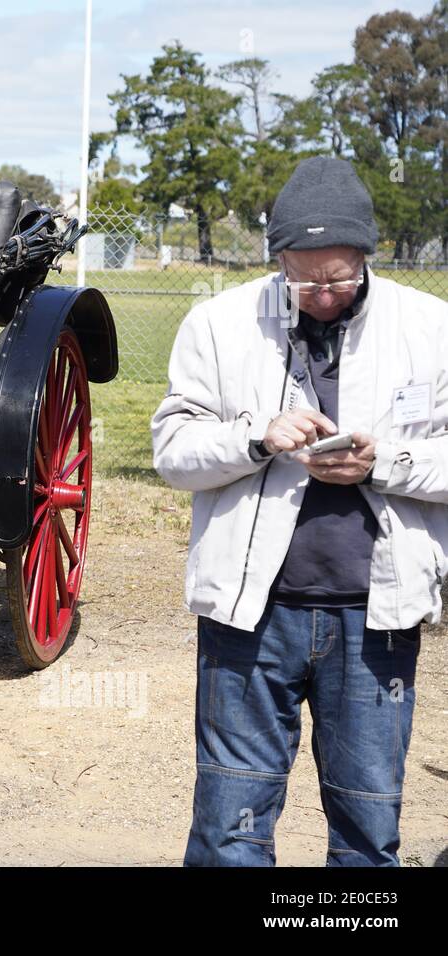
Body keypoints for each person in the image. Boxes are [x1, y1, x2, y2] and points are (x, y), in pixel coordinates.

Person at [152, 156, 447, 866]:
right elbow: (172, 449)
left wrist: (382, 465)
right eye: (305, 277)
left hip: (377, 619)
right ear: (277, 257)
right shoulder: (218, 324)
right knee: (230, 826)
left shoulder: (430, 326)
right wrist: (257, 438)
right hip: (250, 616)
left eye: (340, 276)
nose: (322, 293)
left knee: (367, 826)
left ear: (369, 256)